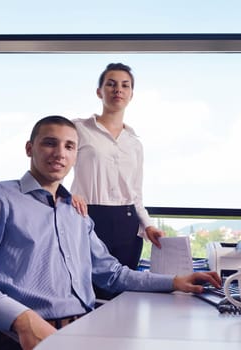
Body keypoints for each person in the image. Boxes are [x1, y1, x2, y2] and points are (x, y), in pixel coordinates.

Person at [0, 115, 221, 350]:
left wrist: (174, 281)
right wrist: (23, 319)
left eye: (69, 146)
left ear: (76, 155)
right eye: (49, 143)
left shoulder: (76, 212)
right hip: (21, 337)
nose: (60, 153)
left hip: (84, 333)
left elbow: (112, 274)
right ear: (29, 148)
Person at [71, 63, 163, 289]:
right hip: (87, 217)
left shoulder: (134, 143)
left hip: (127, 223)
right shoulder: (78, 129)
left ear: (131, 95)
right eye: (110, 84)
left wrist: (148, 225)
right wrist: (67, 196)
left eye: (125, 85)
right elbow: (55, 166)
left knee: (124, 292)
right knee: (85, 289)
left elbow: (136, 193)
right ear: (99, 91)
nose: (118, 90)